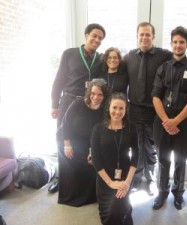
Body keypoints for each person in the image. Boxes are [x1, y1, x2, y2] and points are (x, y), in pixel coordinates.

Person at [151, 26, 187, 210]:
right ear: (171, 44)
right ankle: (162, 193)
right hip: (162, 122)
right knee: (163, 160)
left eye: (182, 42)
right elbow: (156, 96)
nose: (178, 45)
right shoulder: (163, 68)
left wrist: (176, 121)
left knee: (180, 161)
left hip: (185, 124)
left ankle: (178, 194)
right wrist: (166, 121)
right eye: (175, 42)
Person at [50, 23, 106, 193]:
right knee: (62, 138)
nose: (96, 40)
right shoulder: (70, 54)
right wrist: (54, 104)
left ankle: (80, 180)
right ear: (86, 36)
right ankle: (61, 179)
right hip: (68, 101)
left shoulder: (100, 58)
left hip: (86, 104)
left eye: (100, 38)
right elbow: (59, 80)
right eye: (94, 36)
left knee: (82, 141)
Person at [124, 22, 172, 195]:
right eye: (141, 34)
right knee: (136, 145)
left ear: (153, 36)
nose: (144, 38)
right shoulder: (129, 56)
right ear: (137, 36)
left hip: (154, 111)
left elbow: (182, 61)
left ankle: (151, 179)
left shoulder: (164, 55)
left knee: (152, 147)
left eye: (148, 35)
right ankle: (136, 179)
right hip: (134, 110)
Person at [58, 79, 108, 207]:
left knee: (91, 162)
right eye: (93, 93)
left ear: (105, 96)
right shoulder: (78, 103)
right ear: (89, 93)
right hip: (68, 138)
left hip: (88, 142)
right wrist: (67, 145)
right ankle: (71, 194)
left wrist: (93, 152)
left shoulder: (104, 110)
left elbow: (99, 135)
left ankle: (88, 196)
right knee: (75, 161)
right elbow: (65, 124)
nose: (95, 97)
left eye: (100, 94)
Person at [91, 92, 138, 225]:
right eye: (114, 107)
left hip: (125, 177)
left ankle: (126, 207)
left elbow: (136, 157)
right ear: (108, 108)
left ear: (126, 110)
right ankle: (126, 208)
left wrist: (127, 183)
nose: (117, 112)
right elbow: (95, 158)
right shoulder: (97, 129)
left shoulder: (131, 128)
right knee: (108, 215)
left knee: (116, 212)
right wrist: (110, 182)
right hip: (104, 178)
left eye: (121, 108)